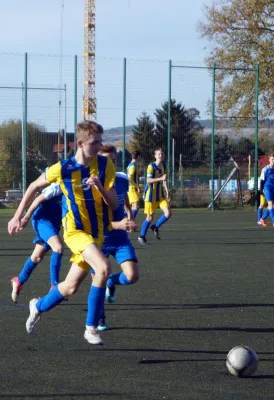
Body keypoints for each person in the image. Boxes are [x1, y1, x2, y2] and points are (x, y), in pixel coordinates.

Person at [8, 120, 117, 345]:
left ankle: (37, 306)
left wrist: (100, 187)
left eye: (100, 142)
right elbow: (33, 187)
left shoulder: (105, 166)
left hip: (95, 234)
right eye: (94, 143)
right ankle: (91, 327)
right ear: (80, 143)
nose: (99, 147)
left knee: (69, 287)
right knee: (103, 268)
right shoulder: (63, 168)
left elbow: (113, 202)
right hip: (75, 232)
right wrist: (18, 216)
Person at [88, 144, 139, 331]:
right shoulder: (90, 187)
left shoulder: (122, 179)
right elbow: (94, 219)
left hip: (119, 239)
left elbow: (123, 196)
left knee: (133, 275)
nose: (110, 164)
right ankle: (99, 320)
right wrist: (120, 224)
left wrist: (129, 214)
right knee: (97, 283)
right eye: (106, 160)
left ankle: (112, 281)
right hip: (98, 241)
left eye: (113, 160)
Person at [10, 183, 63, 303]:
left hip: (54, 224)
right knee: (58, 247)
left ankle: (18, 280)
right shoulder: (59, 186)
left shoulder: (81, 189)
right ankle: (54, 286)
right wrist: (25, 217)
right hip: (42, 220)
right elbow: (38, 199)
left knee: (37, 256)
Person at [138, 148, 172, 245]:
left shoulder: (164, 167)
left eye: (162, 154)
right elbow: (148, 180)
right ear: (155, 156)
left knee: (168, 213)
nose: (161, 155)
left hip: (160, 195)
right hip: (150, 196)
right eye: (159, 154)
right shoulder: (151, 166)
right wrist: (161, 178)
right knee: (149, 217)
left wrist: (167, 191)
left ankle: (155, 227)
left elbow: (164, 180)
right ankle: (141, 236)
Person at [259, 153, 274, 227]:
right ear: (269, 160)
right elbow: (261, 181)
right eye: (272, 159)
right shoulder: (265, 169)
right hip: (267, 189)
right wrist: (261, 191)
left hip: (273, 189)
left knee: (272, 206)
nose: (273, 161)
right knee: (270, 204)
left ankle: (262, 219)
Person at [126, 150, 141, 219]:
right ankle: (130, 224)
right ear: (138, 157)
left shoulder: (130, 164)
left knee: (133, 207)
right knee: (135, 207)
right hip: (132, 188)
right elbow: (129, 178)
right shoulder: (133, 166)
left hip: (131, 188)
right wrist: (137, 187)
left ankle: (128, 222)